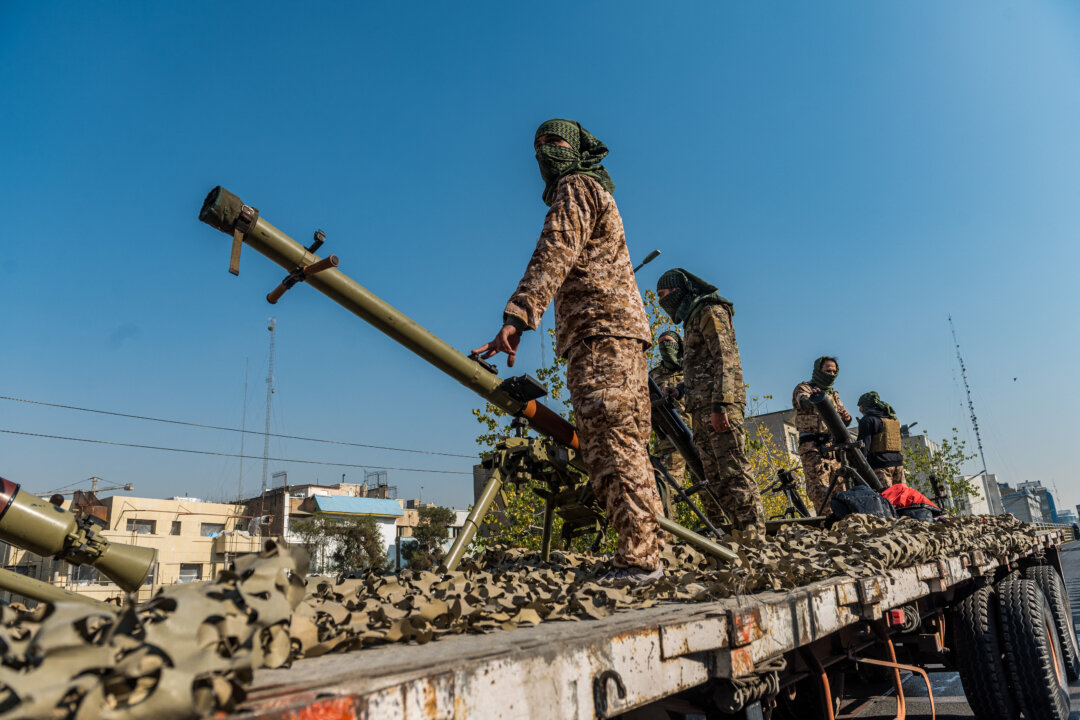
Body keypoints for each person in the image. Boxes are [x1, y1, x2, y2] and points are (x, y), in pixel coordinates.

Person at [473, 118, 663, 586]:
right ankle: (648, 550)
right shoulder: (595, 190)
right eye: (538, 145)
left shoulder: (576, 185)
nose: (545, 152)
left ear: (577, 150)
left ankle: (640, 560)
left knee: (611, 444)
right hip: (613, 334)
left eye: (554, 142)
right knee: (623, 442)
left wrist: (518, 315)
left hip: (600, 333)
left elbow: (556, 248)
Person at [655, 269, 764, 532]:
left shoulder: (710, 311)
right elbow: (702, 368)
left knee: (734, 471)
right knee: (713, 478)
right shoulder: (692, 317)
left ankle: (754, 534)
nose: (661, 301)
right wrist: (680, 390)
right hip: (700, 408)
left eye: (663, 294)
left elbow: (725, 360)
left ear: (678, 290)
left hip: (719, 407)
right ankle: (735, 533)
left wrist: (721, 405)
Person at [792, 357, 852, 515]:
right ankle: (825, 524)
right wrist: (815, 398)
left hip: (832, 450)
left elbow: (842, 419)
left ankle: (842, 523)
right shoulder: (804, 388)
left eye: (834, 371)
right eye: (827, 371)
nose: (831, 374)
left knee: (841, 490)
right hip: (813, 448)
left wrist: (846, 418)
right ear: (819, 370)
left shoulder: (833, 394)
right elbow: (803, 402)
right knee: (820, 491)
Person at [649, 330, 691, 481]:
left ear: (678, 345)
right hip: (669, 438)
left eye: (669, 342)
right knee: (669, 484)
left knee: (708, 485)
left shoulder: (691, 370)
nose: (665, 346)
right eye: (661, 344)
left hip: (696, 435)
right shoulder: (653, 375)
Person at [856, 392, 906, 488]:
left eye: (860, 407)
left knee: (885, 495)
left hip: (881, 466)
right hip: (898, 464)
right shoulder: (893, 419)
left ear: (864, 406)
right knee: (901, 495)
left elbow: (864, 447)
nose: (860, 410)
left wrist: (857, 464)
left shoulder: (868, 420)